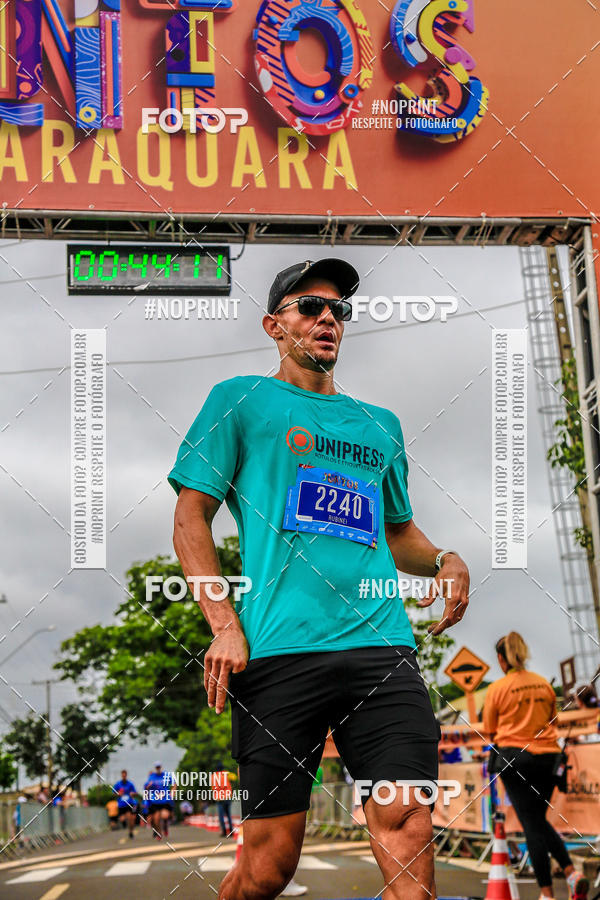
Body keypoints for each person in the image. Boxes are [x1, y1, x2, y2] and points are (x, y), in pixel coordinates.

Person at [169, 258, 470, 900]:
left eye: (339, 310)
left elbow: (396, 534)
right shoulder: (240, 401)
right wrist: (223, 625)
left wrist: (444, 558)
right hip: (279, 655)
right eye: (310, 306)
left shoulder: (379, 425)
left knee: (408, 824)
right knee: (267, 870)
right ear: (275, 325)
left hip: (381, 652)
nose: (328, 318)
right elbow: (191, 516)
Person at [483, 632, 588, 900]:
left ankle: (547, 894)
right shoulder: (542, 684)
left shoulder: (497, 689)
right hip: (548, 760)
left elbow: (489, 729)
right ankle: (570, 873)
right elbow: (553, 721)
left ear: (500, 658)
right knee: (538, 821)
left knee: (532, 825)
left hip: (515, 759)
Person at [144, 762, 173, 840]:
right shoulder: (152, 777)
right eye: (157, 767)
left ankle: (165, 826)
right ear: (155, 768)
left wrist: (173, 792)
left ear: (161, 767)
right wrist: (148, 787)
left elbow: (174, 784)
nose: (158, 768)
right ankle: (159, 833)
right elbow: (146, 787)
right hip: (155, 801)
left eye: (159, 767)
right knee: (156, 818)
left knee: (165, 815)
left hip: (165, 800)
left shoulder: (166, 775)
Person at [113, 769, 138, 839]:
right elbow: (113, 792)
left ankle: (131, 832)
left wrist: (133, 793)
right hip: (121, 804)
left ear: (126, 775)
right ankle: (125, 824)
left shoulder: (130, 784)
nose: (124, 776)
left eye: (125, 775)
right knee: (122, 819)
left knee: (131, 818)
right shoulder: (118, 784)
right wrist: (118, 793)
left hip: (129, 803)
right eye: (122, 775)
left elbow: (135, 792)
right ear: (121, 775)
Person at [213, 762, 234, 837]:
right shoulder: (226, 774)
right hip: (228, 797)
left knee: (221, 816)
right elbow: (234, 777)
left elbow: (213, 787)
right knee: (229, 815)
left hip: (220, 798)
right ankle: (231, 831)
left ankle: (224, 832)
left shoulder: (214, 776)